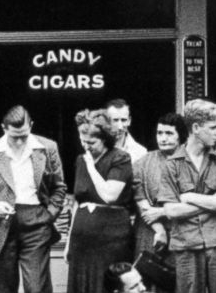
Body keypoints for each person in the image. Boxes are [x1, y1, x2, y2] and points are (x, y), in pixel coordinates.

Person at [0, 105, 67, 293]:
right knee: (2, 287)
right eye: (15, 137)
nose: (19, 142)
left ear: (31, 125)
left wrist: (49, 215)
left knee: (36, 286)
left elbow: (59, 187)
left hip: (36, 221)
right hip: (1, 225)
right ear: (3, 128)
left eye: (24, 135)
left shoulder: (47, 147)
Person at [158, 99, 216, 293]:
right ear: (196, 128)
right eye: (213, 127)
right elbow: (171, 211)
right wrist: (214, 200)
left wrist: (190, 197)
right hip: (186, 244)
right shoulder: (172, 165)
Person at [67, 109, 134, 293]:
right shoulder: (80, 160)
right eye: (83, 141)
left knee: (106, 285)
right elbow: (77, 202)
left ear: (105, 138)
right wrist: (68, 243)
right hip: (82, 241)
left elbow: (109, 196)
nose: (86, 146)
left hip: (111, 238)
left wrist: (91, 167)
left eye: (91, 142)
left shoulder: (120, 158)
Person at [132, 112, 186, 287]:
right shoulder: (145, 161)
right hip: (150, 231)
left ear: (181, 135)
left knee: (176, 282)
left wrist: (163, 212)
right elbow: (138, 194)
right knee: (146, 281)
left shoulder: (189, 161)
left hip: (181, 229)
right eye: (159, 133)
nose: (163, 138)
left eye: (169, 133)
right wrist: (158, 229)